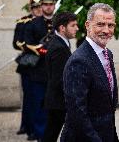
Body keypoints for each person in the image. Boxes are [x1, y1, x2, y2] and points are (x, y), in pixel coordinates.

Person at [61, 3, 119, 142]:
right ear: (87, 25)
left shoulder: (107, 54)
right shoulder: (79, 61)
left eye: (110, 25)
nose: (106, 30)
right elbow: (77, 113)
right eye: (100, 24)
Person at [24, 0, 56, 142]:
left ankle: (50, 135)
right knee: (38, 106)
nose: (48, 7)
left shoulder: (60, 24)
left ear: (54, 5)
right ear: (41, 6)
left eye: (51, 4)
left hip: (54, 73)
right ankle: (40, 136)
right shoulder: (33, 24)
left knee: (53, 107)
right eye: (45, 4)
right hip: (37, 71)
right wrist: (39, 49)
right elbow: (26, 44)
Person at [12, 0, 42, 141]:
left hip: (42, 65)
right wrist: (31, 47)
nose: (38, 10)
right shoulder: (24, 22)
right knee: (29, 97)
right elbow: (16, 42)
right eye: (35, 8)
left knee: (39, 98)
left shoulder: (47, 23)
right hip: (28, 64)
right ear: (31, 8)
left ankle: (36, 127)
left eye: (40, 7)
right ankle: (29, 127)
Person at [43, 12, 78, 142]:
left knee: (51, 134)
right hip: (60, 101)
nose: (77, 28)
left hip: (58, 100)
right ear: (62, 28)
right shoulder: (59, 48)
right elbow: (60, 79)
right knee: (51, 134)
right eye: (73, 25)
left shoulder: (61, 43)